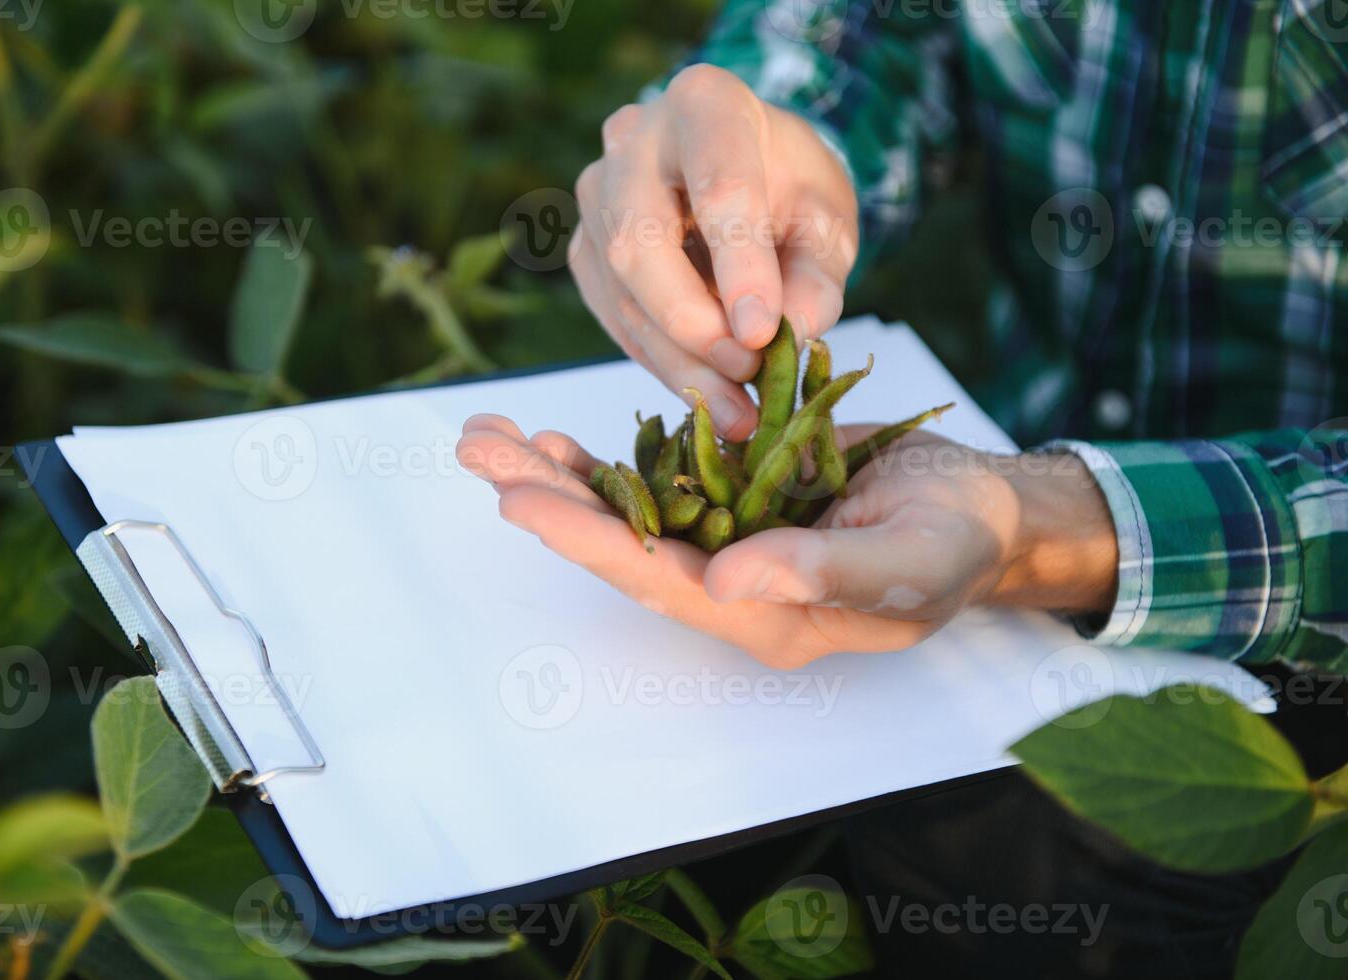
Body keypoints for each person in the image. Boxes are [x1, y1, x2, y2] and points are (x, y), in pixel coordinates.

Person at [457, 2, 1347, 973]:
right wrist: (785, 143)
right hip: (1005, 463)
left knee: (1018, 884)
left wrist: (1053, 525)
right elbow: (868, 23)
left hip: (1305, 629)